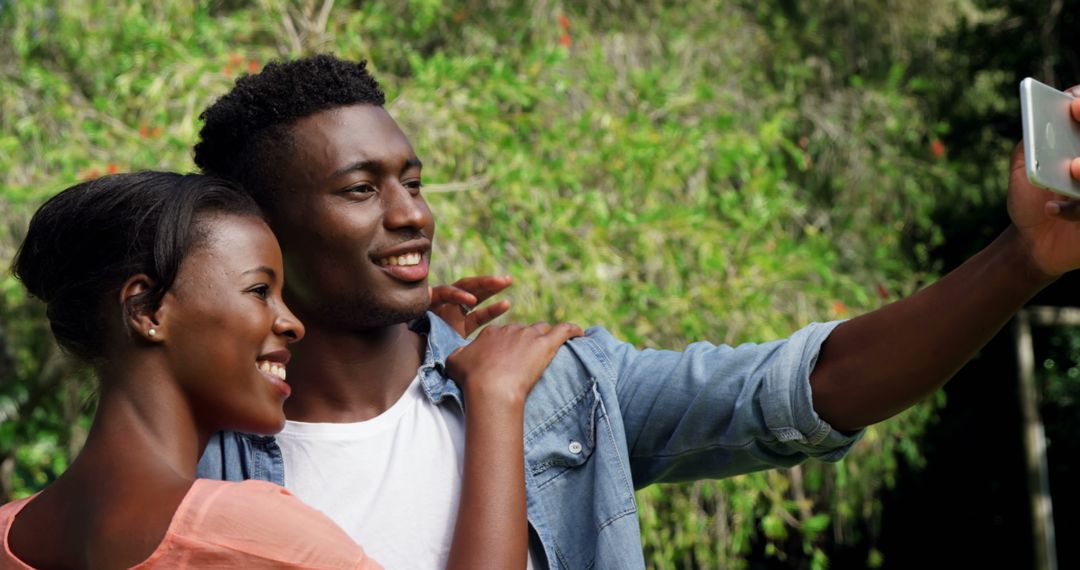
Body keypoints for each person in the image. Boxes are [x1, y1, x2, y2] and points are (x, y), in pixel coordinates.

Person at [193, 54, 1080, 569]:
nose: (411, 214)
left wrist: (1022, 259)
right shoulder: (196, 448)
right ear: (259, 229)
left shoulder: (560, 391)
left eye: (413, 182)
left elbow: (813, 388)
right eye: (361, 189)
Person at [1, 171, 581, 569]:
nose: (292, 323)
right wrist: (496, 396)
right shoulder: (251, 532)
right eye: (260, 291)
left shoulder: (11, 533)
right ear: (147, 311)